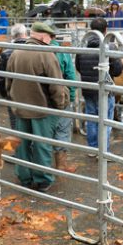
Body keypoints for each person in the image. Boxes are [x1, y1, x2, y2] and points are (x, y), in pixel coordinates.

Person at [6, 22, 68, 192]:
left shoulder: (16, 53)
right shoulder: (47, 54)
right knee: (42, 145)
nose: (52, 40)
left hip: (20, 107)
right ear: (41, 36)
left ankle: (24, 176)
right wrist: (59, 105)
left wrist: (14, 100)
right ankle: (43, 180)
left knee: (23, 144)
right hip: (42, 108)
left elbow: (7, 81)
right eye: (50, 37)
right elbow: (56, 85)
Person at [75, 18, 123, 156]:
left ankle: (92, 149)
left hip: (88, 88)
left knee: (92, 118)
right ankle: (103, 150)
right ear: (105, 30)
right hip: (105, 89)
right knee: (105, 120)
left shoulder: (82, 48)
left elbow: (78, 67)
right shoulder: (110, 47)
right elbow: (118, 70)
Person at [49, 29, 78, 172]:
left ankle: (41, 165)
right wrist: (71, 97)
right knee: (62, 129)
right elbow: (71, 76)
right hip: (60, 97)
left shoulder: (35, 50)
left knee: (42, 130)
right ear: (54, 36)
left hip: (41, 98)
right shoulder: (61, 52)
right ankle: (61, 165)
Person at [0, 23, 29, 129]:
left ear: (12, 36)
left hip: (13, 93)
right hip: (31, 92)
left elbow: (1, 77)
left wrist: (4, 93)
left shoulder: (6, 52)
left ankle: (18, 143)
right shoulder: (34, 49)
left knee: (14, 121)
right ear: (25, 34)